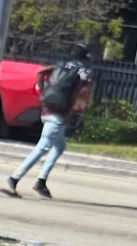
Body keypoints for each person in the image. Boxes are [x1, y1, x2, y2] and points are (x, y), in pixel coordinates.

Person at [6, 55, 91, 195]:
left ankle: (41, 181)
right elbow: (79, 94)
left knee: (59, 146)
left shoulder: (62, 64)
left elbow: (41, 72)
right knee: (43, 147)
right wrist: (70, 114)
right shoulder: (84, 71)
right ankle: (14, 177)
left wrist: (41, 91)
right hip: (59, 115)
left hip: (46, 109)